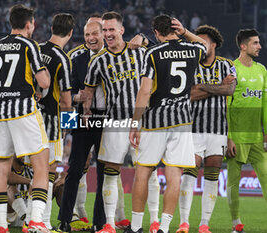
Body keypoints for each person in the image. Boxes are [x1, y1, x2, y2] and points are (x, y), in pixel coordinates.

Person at [127, 15, 207, 233]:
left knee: (143, 172)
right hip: (182, 122)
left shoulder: (153, 53)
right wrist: (186, 32)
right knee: (174, 176)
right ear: (176, 29)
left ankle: (135, 227)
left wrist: (135, 123)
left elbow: (144, 91)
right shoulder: (193, 50)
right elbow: (205, 46)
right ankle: (163, 227)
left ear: (156, 32)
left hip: (155, 121)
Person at [0, 4, 51, 233]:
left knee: (1, 169)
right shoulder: (29, 45)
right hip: (25, 111)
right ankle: (35, 221)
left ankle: (2, 224)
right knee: (42, 165)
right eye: (33, 24)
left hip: (1, 114)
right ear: (28, 24)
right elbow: (44, 82)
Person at [83, 11, 146, 233]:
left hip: (142, 121)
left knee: (148, 171)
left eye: (111, 29)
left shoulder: (141, 52)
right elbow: (89, 91)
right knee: (111, 171)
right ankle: (109, 223)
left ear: (121, 29)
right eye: (105, 30)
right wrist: (85, 112)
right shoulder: (98, 60)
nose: (108, 34)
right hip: (114, 121)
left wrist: (143, 37)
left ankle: (153, 222)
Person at [176, 25, 237, 233]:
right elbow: (188, 94)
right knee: (189, 173)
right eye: (196, 43)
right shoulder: (189, 65)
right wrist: (217, 87)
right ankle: (184, 222)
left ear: (214, 45)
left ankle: (204, 224)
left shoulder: (227, 65)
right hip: (192, 129)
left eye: (202, 43)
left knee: (212, 175)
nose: (198, 47)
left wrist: (203, 87)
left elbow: (229, 90)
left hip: (218, 130)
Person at [58, 20, 106, 233]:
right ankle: (65, 220)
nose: (90, 38)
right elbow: (67, 95)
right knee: (75, 169)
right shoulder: (76, 58)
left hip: (108, 121)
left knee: (105, 173)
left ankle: (100, 223)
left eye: (94, 33)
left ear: (104, 33)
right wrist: (65, 130)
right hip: (82, 121)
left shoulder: (116, 56)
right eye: (87, 34)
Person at [226, 28, 267, 233]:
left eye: (259, 43)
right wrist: (229, 137)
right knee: (233, 181)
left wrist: (266, 131)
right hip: (237, 137)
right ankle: (236, 223)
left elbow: (266, 102)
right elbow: (227, 104)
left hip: (257, 137)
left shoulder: (262, 70)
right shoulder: (232, 69)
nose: (260, 46)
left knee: (266, 177)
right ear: (243, 46)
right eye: (255, 43)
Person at [37, 13, 74, 230]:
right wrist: (68, 127)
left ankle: (28, 216)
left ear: (51, 28)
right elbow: (67, 101)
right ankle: (43, 220)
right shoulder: (63, 58)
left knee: (32, 169)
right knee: (49, 171)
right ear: (70, 33)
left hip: (30, 116)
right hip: (51, 120)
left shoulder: (36, 49)